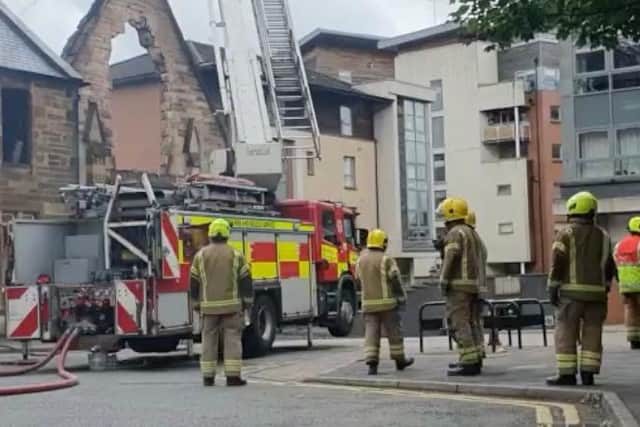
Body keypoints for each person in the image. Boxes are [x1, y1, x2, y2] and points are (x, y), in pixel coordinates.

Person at [547, 192, 616, 387]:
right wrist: (606, 286)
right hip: (597, 294)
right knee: (593, 331)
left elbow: (558, 262)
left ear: (572, 210)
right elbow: (610, 265)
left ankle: (567, 374)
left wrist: (552, 287)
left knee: (565, 331)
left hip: (571, 295)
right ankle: (588, 373)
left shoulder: (565, 233)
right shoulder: (604, 235)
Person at [190, 218, 252, 387]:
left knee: (208, 341)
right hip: (231, 308)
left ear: (210, 234)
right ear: (226, 234)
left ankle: (208, 377)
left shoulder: (200, 256)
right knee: (232, 339)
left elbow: (193, 282)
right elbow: (246, 280)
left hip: (208, 309)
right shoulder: (236, 255)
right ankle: (233, 377)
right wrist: (247, 302)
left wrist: (195, 303)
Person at [356, 229, 414, 375]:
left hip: (368, 304)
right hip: (388, 304)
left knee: (371, 332)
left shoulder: (360, 260)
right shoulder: (386, 259)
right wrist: (401, 296)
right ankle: (399, 360)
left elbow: (358, 280)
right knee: (394, 332)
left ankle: (372, 363)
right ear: (383, 243)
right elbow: (396, 279)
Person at [438, 197, 483, 376]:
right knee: (471, 321)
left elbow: (450, 258)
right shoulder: (471, 232)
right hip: (472, 285)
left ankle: (468, 362)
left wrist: (443, 280)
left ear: (450, 214)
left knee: (459, 322)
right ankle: (476, 356)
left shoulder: (455, 233)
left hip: (458, 286)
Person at [613, 216, 640, 349]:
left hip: (625, 285)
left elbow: (615, 264)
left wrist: (619, 280)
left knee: (631, 309)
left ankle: (633, 338)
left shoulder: (619, 245)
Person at [465, 210, 488, 362]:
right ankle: (480, 350)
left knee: (467, 321)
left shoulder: (467, 239)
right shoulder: (478, 240)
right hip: (480, 286)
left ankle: (472, 355)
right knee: (476, 320)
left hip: (470, 286)